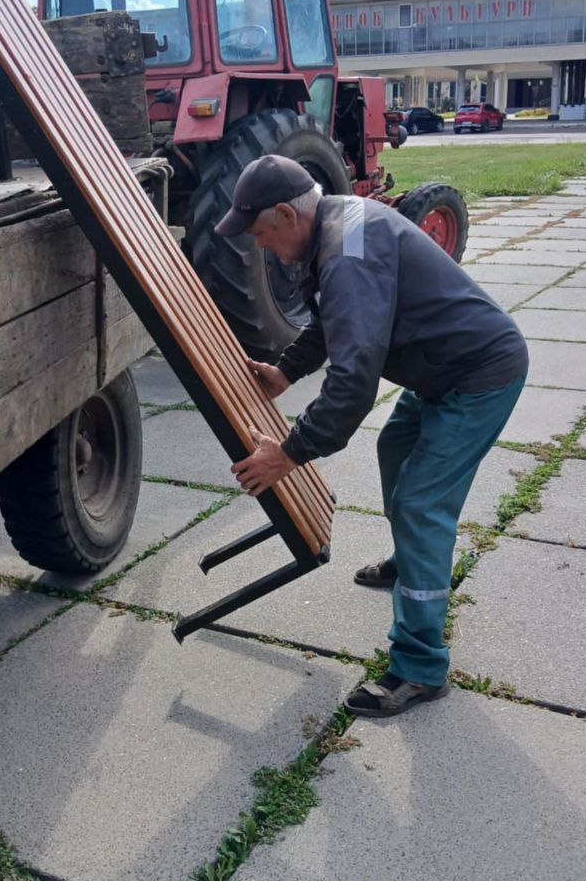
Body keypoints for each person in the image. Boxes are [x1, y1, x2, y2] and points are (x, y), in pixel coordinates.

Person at [223, 155, 528, 719]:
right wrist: (286, 371)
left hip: (478, 376)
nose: (259, 244)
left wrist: (289, 453)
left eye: (261, 232)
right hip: (443, 367)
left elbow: (354, 379)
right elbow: (333, 318)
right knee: (396, 449)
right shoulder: (337, 222)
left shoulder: (346, 254)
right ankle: (411, 560)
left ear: (287, 214)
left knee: (420, 503)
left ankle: (419, 668)